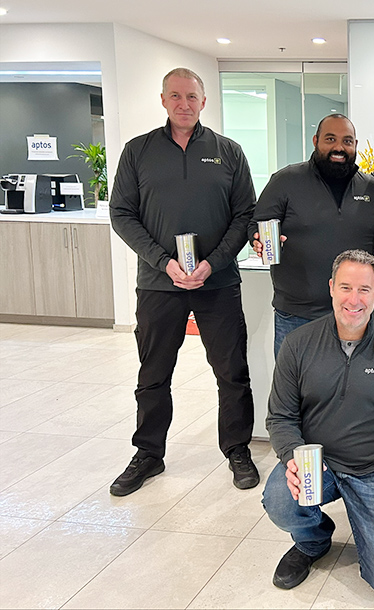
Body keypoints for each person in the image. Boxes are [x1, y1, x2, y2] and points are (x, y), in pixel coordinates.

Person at [108, 67, 259, 496]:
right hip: (159, 284)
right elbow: (122, 214)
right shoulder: (138, 152)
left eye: (192, 96)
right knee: (153, 374)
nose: (184, 103)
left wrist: (212, 263)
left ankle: (237, 450)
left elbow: (244, 214)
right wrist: (163, 262)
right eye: (175, 96)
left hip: (218, 282)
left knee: (232, 372)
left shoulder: (228, 152)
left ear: (204, 101)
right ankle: (148, 454)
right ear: (162, 100)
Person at [262, 250, 374, 595]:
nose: (354, 299)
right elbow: (280, 416)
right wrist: (292, 456)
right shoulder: (298, 344)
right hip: (316, 464)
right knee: (279, 498)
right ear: (331, 289)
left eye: (364, 290)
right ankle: (313, 541)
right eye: (345, 287)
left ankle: (371, 529)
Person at [248, 114, 374, 356]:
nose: (339, 147)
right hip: (298, 314)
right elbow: (257, 225)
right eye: (330, 139)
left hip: (354, 313)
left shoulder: (371, 188)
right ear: (316, 140)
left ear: (355, 145)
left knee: (353, 391)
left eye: (347, 141)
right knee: (293, 389)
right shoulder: (286, 180)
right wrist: (259, 240)